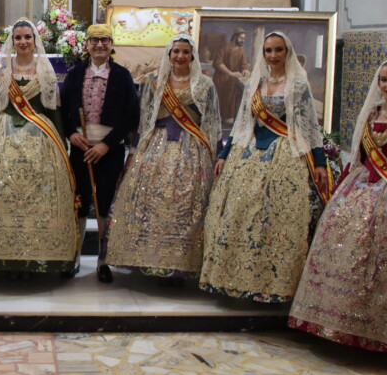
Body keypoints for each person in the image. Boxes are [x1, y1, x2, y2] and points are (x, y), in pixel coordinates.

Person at [288, 59, 387, 352]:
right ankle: (333, 319)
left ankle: (375, 329)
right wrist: (336, 190)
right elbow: (357, 157)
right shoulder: (371, 113)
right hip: (360, 185)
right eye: (383, 79)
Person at [200, 31, 330, 302]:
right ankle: (234, 277)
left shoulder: (297, 84)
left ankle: (272, 283)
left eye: (278, 50)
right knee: (237, 209)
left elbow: (309, 126)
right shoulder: (255, 84)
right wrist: (224, 153)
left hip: (285, 153)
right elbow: (241, 122)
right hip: (248, 151)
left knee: (277, 216)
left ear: (287, 52)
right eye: (268, 50)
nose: (273, 55)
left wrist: (319, 161)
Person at [0, 19, 80, 276]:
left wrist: (61, 142)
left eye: (27, 37)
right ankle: (0, 258)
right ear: (12, 41)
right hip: (1, 136)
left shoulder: (45, 71)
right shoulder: (1, 70)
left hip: (40, 137)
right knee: (0, 196)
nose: (23, 41)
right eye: (18, 38)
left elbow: (53, 110)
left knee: (37, 198)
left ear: (35, 40)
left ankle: (38, 258)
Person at [104, 35, 219, 283]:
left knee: (187, 203)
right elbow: (145, 118)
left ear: (192, 55)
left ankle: (183, 263)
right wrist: (135, 151)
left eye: (185, 52)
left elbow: (210, 122)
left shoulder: (205, 84)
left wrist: (212, 155)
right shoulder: (155, 81)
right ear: (169, 55)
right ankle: (148, 259)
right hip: (156, 144)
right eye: (175, 51)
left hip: (192, 149)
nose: (180, 56)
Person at [60, 25, 140, 283]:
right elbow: (61, 111)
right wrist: (72, 134)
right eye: (94, 40)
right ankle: (74, 257)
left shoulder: (122, 76)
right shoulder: (74, 75)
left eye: (105, 40)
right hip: (81, 149)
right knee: (79, 203)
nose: (99, 45)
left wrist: (106, 144)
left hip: (109, 150)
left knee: (105, 203)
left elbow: (131, 116)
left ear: (111, 44)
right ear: (87, 45)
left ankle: (103, 261)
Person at [211, 28, 249, 128]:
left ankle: (229, 118)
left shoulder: (241, 50)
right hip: (221, 79)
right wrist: (230, 73)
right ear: (235, 37)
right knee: (219, 99)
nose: (242, 40)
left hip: (232, 80)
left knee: (233, 96)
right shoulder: (223, 47)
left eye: (244, 39)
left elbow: (244, 65)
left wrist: (245, 70)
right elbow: (217, 63)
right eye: (241, 38)